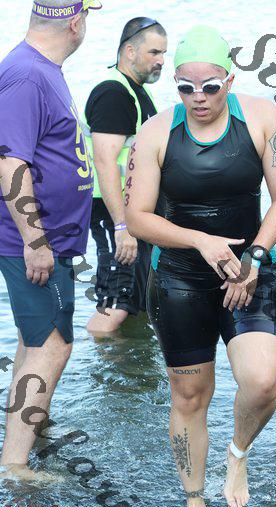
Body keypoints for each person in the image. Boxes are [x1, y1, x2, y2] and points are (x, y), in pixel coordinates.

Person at [124, 25, 276, 507]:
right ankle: (194, 506)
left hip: (251, 270)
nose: (197, 97)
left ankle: (237, 452)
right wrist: (200, 240)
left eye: (210, 86)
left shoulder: (263, 118)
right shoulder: (156, 132)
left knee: (262, 383)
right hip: (179, 278)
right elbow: (137, 217)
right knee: (190, 397)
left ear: (229, 81)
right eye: (185, 87)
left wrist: (255, 258)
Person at [0, 0, 102, 481]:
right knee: (52, 347)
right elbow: (9, 161)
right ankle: (14, 464)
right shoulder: (26, 75)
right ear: (75, 23)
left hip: (50, 239)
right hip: (35, 240)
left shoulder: (42, 69)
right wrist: (35, 239)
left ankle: (31, 429)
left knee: (35, 340)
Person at [83, 17, 167, 334]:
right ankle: (90, 360)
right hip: (113, 211)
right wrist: (122, 226)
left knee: (135, 302)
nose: (161, 61)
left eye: (164, 53)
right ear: (129, 51)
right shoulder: (114, 93)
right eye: (154, 52)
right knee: (114, 303)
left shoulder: (136, 92)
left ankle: (123, 362)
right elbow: (104, 161)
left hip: (133, 213)